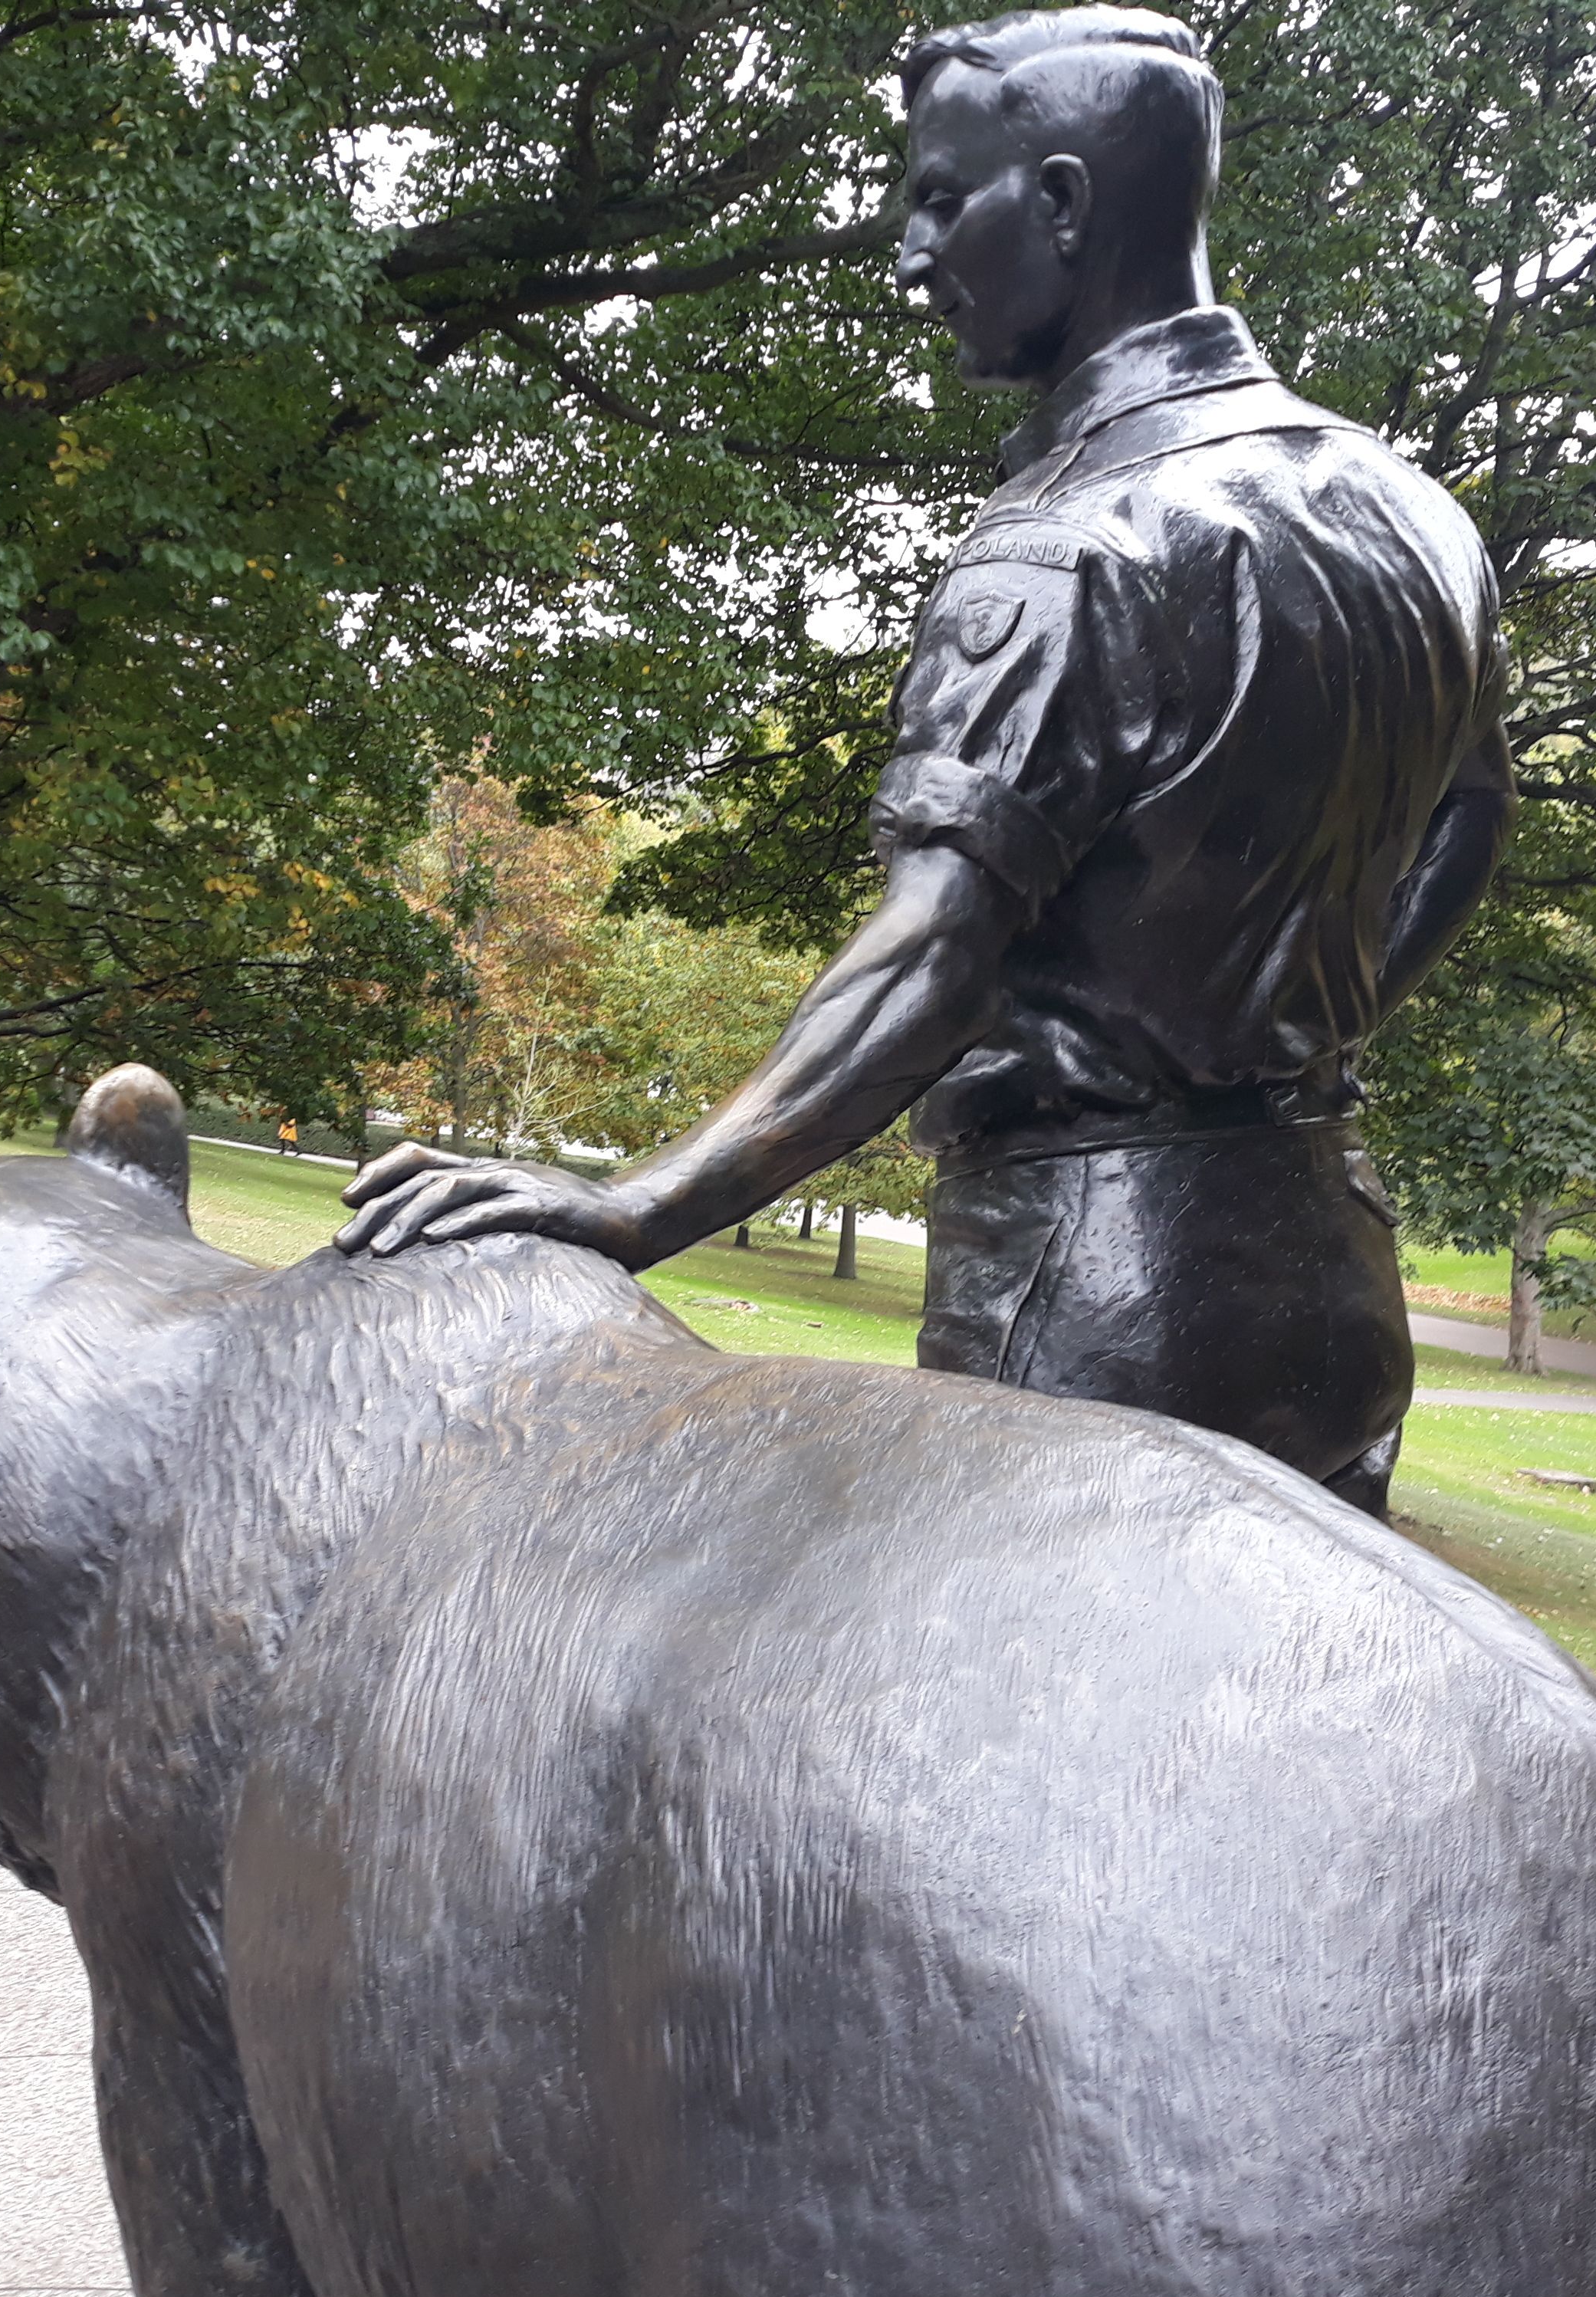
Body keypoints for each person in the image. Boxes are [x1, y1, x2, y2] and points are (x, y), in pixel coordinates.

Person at [336, 8, 1512, 1514]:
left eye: (943, 198)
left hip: (1090, 1308)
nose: (910, 254)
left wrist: (638, 1205)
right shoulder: (1419, 522)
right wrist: (1286, 1043)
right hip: (1333, 1285)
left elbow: (932, 956)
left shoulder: (1068, 546)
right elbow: (1470, 826)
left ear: (1068, 205)